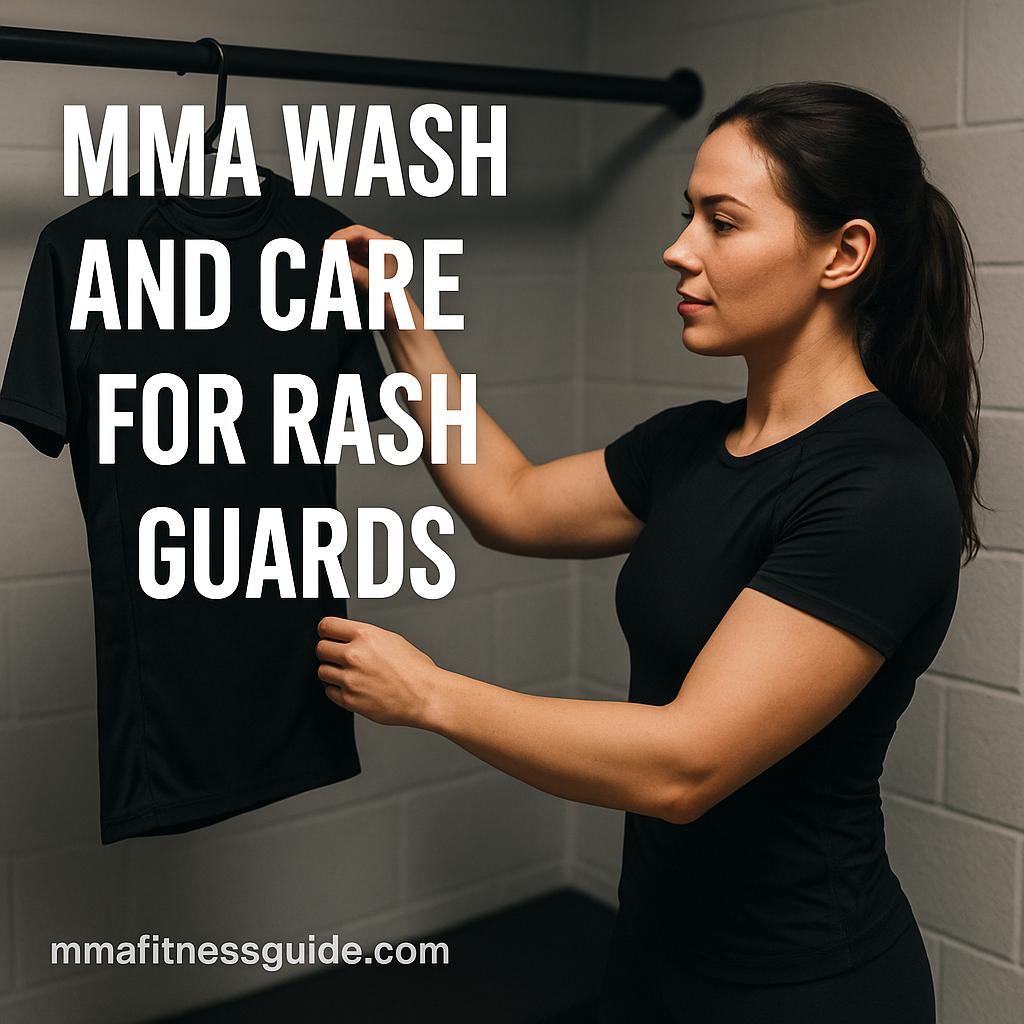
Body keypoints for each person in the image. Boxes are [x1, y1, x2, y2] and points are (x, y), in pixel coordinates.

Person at [315, 82, 981, 1022]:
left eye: (722, 221)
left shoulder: (882, 491)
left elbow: (685, 764)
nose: (679, 250)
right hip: (657, 962)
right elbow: (509, 502)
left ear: (845, 252)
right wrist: (404, 322)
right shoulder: (693, 443)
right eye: (687, 217)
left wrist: (430, 695)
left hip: (802, 993)